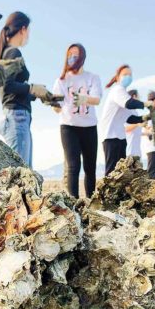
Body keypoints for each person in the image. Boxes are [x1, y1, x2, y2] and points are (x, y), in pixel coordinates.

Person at [0, 12, 53, 168]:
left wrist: (38, 94)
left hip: (16, 117)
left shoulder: (6, 52)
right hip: (17, 117)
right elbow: (8, 86)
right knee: (21, 173)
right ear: (23, 29)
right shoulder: (13, 52)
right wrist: (32, 88)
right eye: (28, 31)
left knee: (22, 172)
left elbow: (13, 88)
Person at [51, 43, 102, 198]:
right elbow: (58, 108)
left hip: (89, 126)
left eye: (76, 54)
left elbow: (97, 99)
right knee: (73, 166)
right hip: (69, 127)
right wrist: (52, 103)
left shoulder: (92, 78)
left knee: (90, 167)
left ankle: (91, 200)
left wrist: (83, 98)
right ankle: (73, 203)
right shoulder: (61, 80)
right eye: (69, 54)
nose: (72, 57)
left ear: (82, 57)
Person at [101, 65, 153, 175]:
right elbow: (129, 104)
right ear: (118, 76)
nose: (128, 77)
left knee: (121, 172)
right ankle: (107, 192)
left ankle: (119, 192)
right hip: (110, 136)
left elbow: (130, 118)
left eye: (130, 75)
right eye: (125, 74)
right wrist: (145, 104)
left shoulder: (123, 93)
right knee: (112, 171)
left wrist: (146, 117)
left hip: (120, 137)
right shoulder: (117, 90)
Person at [125, 90, 144, 162]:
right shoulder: (128, 111)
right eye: (139, 96)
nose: (140, 98)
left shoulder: (135, 112)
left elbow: (136, 132)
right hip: (129, 151)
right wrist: (138, 124)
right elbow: (125, 128)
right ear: (134, 96)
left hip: (137, 151)